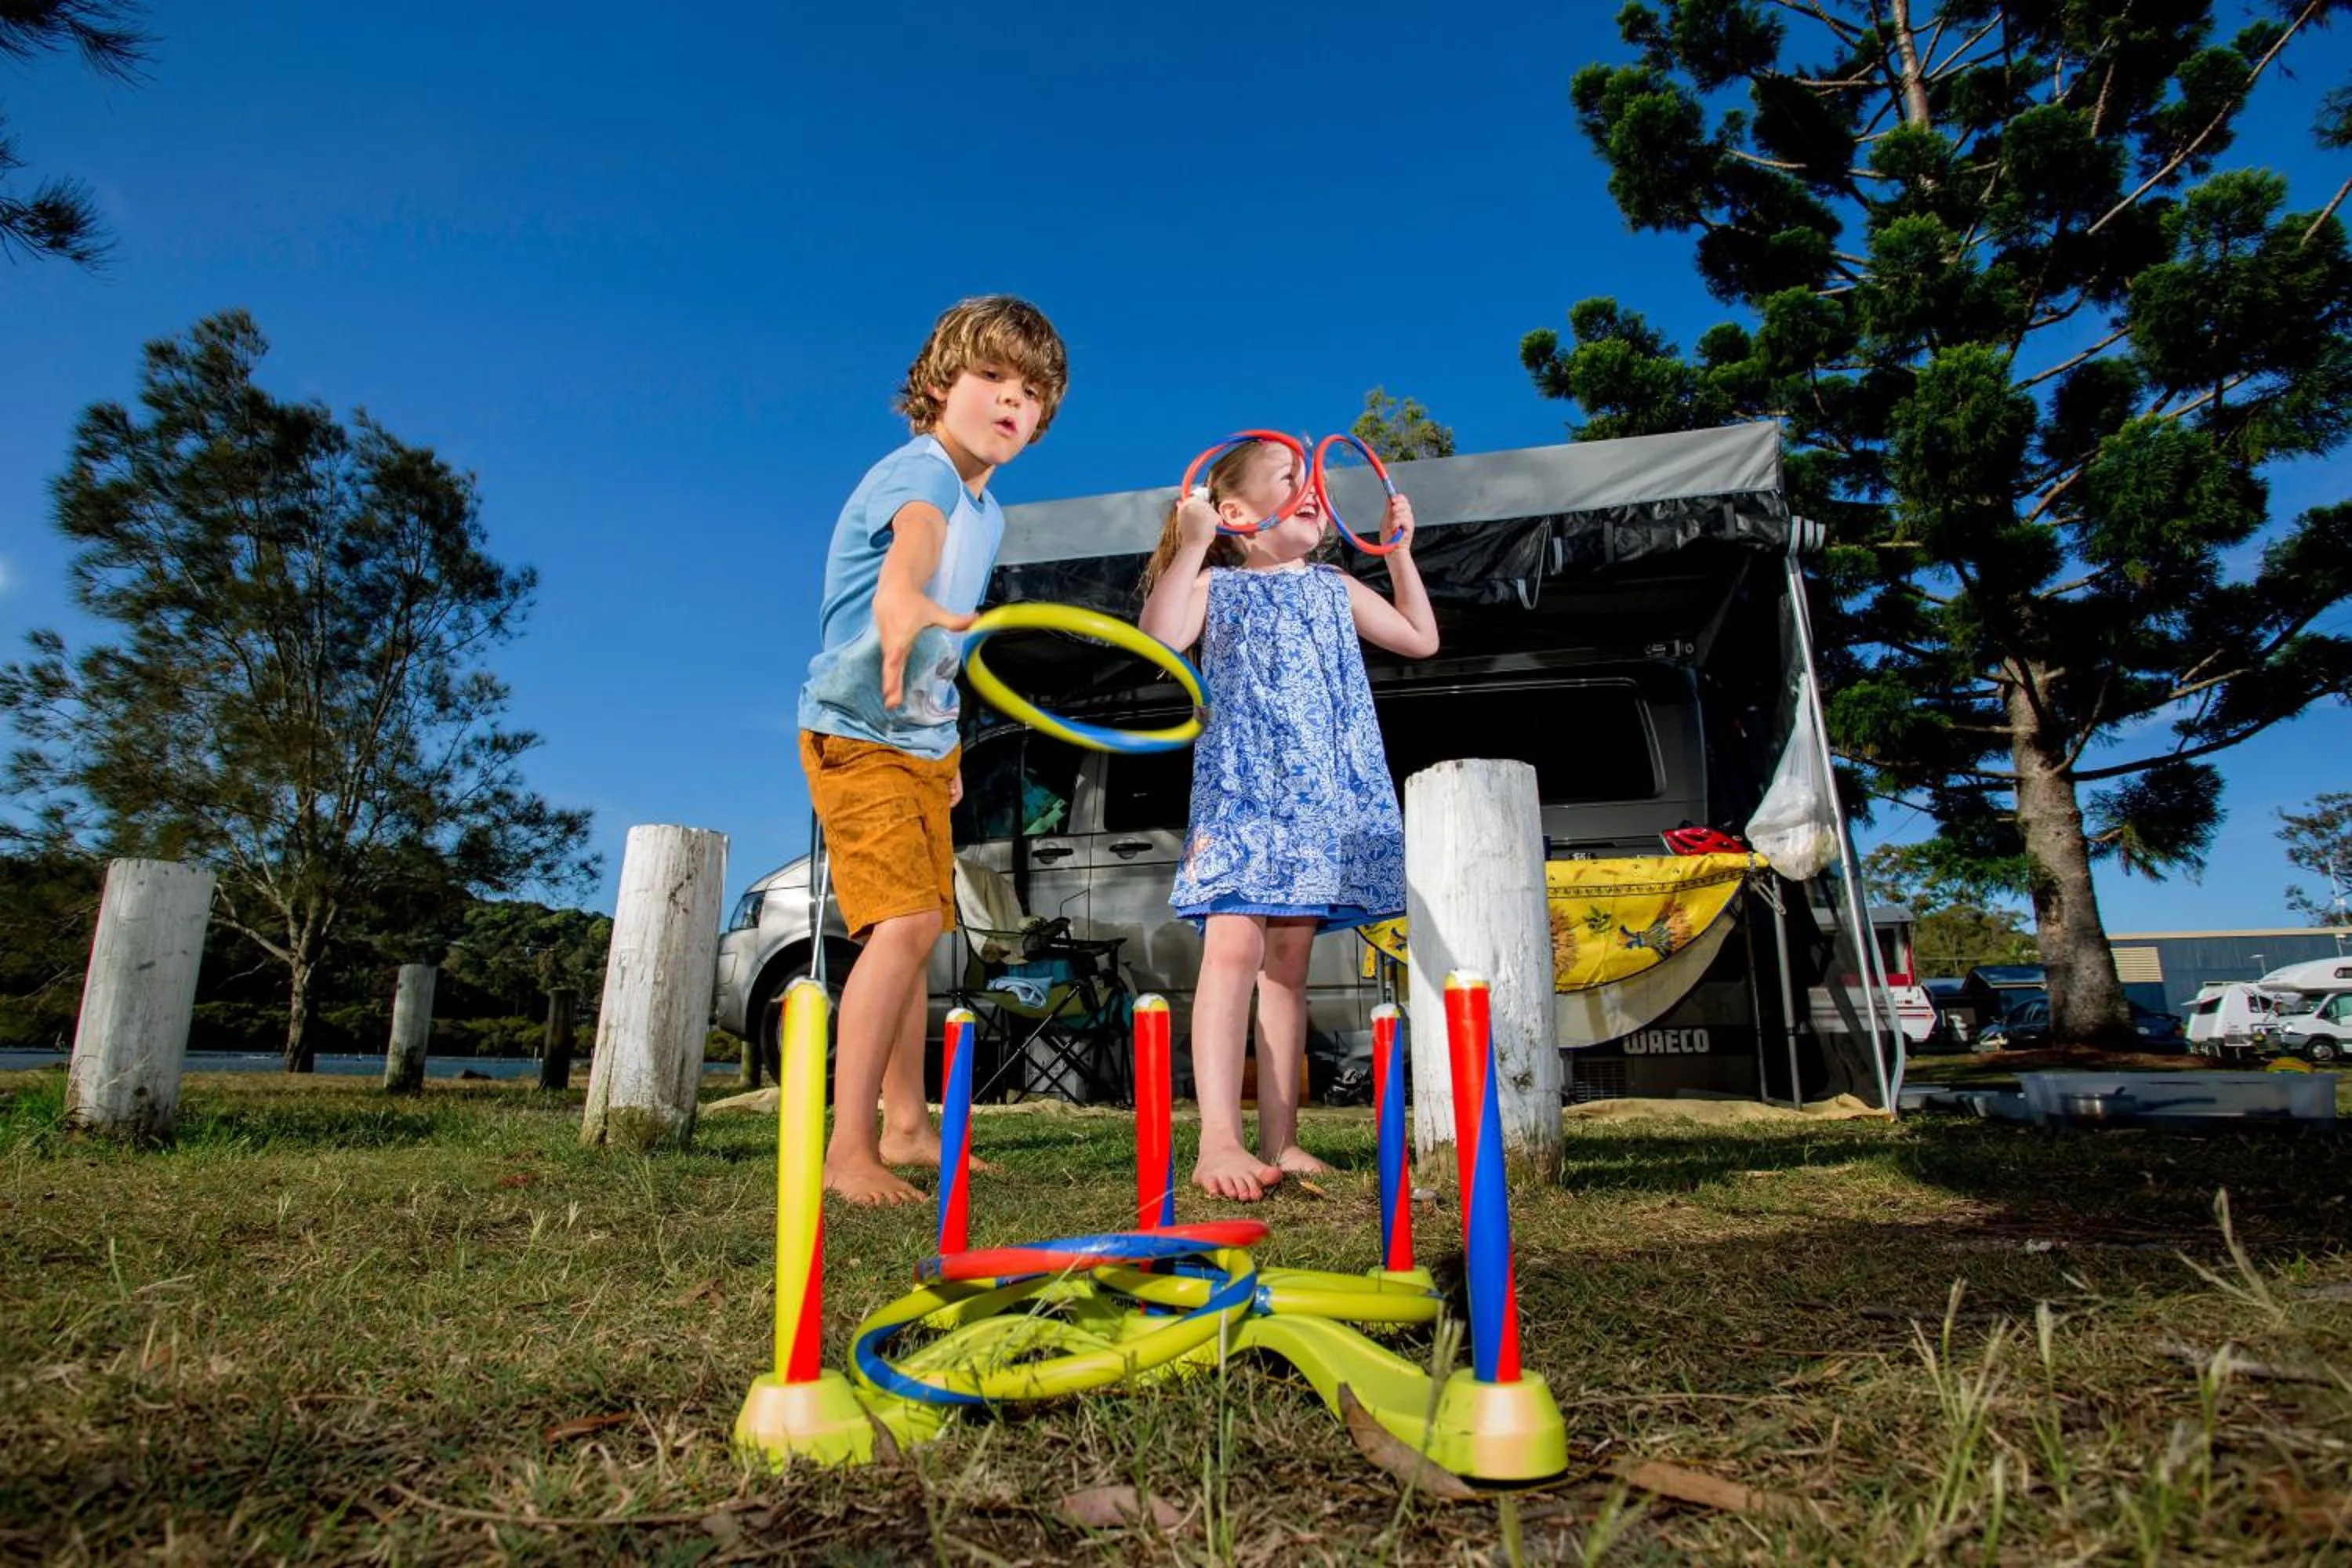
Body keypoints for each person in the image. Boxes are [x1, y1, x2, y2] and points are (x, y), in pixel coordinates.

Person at [797, 296, 1069, 1206]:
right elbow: (915, 536)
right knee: (907, 926)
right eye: (991, 375)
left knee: (910, 933)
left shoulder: (990, 512)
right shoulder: (920, 474)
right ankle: (848, 1150)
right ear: (939, 384)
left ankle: (910, 1127)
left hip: (921, 740)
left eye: (1030, 391)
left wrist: (947, 749)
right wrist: (902, 593)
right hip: (856, 730)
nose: (1010, 399)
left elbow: (944, 649)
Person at [1136, 438, 1438, 1200]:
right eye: (1288, 478)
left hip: (1316, 805)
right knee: (1233, 948)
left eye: (1312, 479)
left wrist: (1398, 552)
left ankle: (1283, 1139)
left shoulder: (1336, 584)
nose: (1310, 488)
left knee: (1289, 971)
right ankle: (1216, 1141)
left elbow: (1420, 639)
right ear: (1236, 512)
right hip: (1242, 796)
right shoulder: (1218, 586)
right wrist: (1195, 542)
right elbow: (1159, 636)